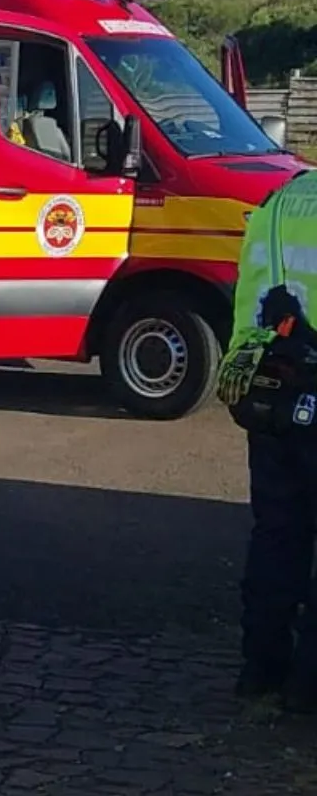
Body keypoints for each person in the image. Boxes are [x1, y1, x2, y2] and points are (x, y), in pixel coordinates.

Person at [215, 167, 317, 713]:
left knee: (278, 535)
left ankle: (261, 668)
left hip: (270, 390)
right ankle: (308, 687)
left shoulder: (279, 201)